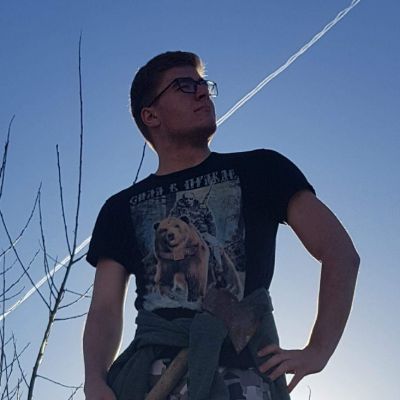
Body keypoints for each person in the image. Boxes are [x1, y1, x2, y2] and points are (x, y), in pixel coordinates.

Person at [83, 51, 360, 400]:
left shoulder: (263, 169)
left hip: (243, 378)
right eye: (184, 86)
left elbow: (340, 253)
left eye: (204, 85)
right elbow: (105, 309)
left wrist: (319, 349)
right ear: (150, 115)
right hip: (151, 380)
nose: (202, 92)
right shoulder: (119, 208)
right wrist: (94, 380)